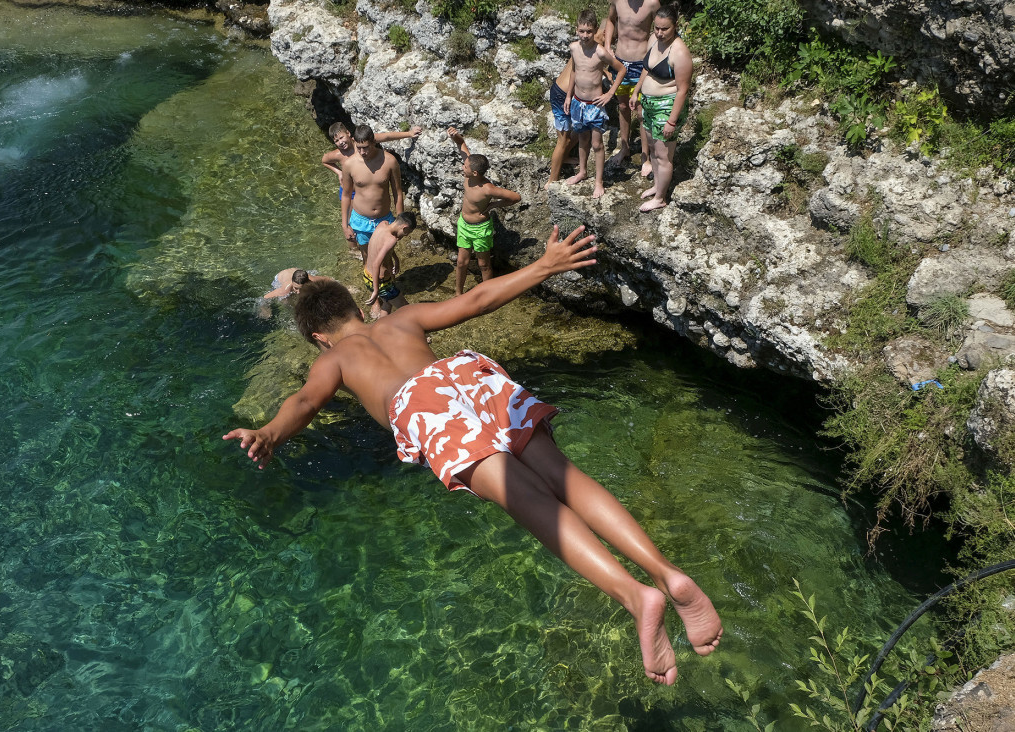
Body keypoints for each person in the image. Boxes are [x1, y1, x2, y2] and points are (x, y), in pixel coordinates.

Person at [223, 224, 722, 684]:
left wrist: (270, 433)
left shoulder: (335, 357)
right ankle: (667, 572)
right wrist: (544, 265)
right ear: (355, 306)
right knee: (565, 477)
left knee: (533, 504)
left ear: (317, 336)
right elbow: (479, 298)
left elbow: (307, 401)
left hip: (425, 409)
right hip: (468, 377)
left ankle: (638, 598)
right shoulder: (402, 319)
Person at [630, 5, 692, 212]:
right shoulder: (653, 40)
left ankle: (660, 198)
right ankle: (657, 185)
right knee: (654, 149)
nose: (659, 32)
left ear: (675, 26)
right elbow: (646, 68)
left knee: (664, 156)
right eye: (656, 28)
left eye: (664, 29)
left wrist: (671, 121)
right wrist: (636, 91)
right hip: (648, 103)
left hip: (667, 107)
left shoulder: (680, 52)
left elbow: (683, 90)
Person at [447, 127, 522, 296]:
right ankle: (458, 294)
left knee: (483, 264)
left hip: (480, 228)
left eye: (465, 166)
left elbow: (516, 197)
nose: (462, 167)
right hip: (464, 225)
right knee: (461, 262)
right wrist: (455, 135)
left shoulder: (488, 189)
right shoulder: (468, 174)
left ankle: (488, 296)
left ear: (474, 172)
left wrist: (494, 205)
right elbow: (461, 144)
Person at [563, 9, 626, 199]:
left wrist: (610, 93)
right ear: (576, 29)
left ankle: (599, 182)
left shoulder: (600, 52)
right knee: (582, 139)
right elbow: (574, 70)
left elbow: (621, 69)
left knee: (597, 144)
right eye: (582, 31)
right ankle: (582, 171)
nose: (585, 35)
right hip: (578, 102)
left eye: (589, 31)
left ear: (595, 30)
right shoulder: (574, 48)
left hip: (595, 104)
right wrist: (568, 96)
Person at [545, 22, 610, 189]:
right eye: (610, 36)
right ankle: (552, 180)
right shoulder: (595, 43)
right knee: (563, 139)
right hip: (563, 94)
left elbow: (587, 67)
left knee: (579, 131)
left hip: (563, 91)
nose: (611, 40)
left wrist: (605, 72)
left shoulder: (583, 45)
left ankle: (565, 157)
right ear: (602, 32)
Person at [605, 0, 659, 174]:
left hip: (641, 64)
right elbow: (610, 20)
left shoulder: (652, 3)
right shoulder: (617, 1)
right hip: (619, 61)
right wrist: (607, 46)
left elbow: (663, 28)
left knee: (640, 110)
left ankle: (645, 156)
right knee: (622, 106)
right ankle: (625, 148)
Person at [341, 125, 406, 264]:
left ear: (373, 142)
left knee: (387, 257)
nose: (362, 152)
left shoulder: (389, 161)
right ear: (354, 142)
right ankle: (371, 285)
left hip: (384, 219)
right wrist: (345, 225)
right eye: (359, 147)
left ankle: (388, 285)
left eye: (366, 147)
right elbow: (346, 196)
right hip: (360, 221)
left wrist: (400, 221)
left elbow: (398, 193)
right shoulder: (349, 164)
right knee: (367, 258)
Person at [362, 212, 417, 319]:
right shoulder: (391, 240)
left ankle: (380, 331)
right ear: (405, 228)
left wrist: (396, 259)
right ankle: (423, 334)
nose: (404, 236)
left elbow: (383, 247)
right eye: (406, 234)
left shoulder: (382, 224)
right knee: (407, 310)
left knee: (388, 303)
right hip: (382, 283)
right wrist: (376, 290)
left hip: (367, 276)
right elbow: (376, 264)